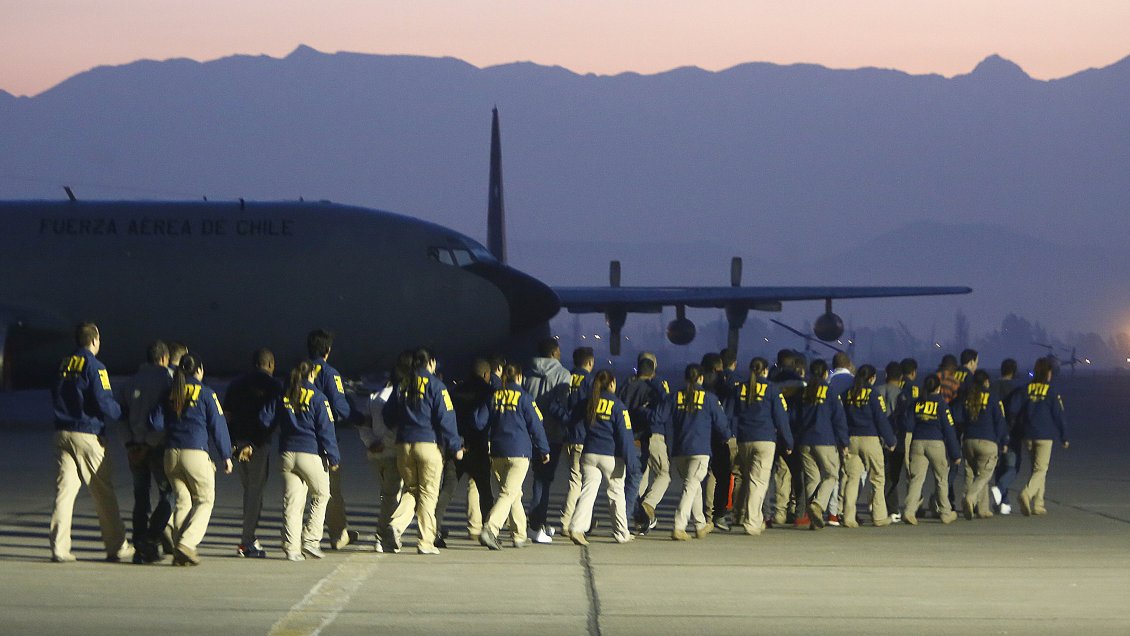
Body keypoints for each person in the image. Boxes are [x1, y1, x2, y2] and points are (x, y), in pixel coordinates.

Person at [49, 322, 133, 563]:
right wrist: (124, 414)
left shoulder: (63, 365)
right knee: (102, 491)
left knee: (64, 493)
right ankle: (116, 545)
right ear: (95, 341)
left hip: (62, 432)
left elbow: (54, 393)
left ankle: (59, 547)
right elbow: (104, 401)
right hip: (87, 434)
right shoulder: (95, 367)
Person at [151, 354, 233, 565]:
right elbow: (218, 425)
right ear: (199, 370)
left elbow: (155, 421)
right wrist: (226, 455)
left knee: (183, 501)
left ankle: (180, 550)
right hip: (195, 453)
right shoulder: (206, 393)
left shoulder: (170, 393)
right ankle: (187, 544)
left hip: (171, 455)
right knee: (205, 500)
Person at [381, 348, 463, 555]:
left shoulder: (402, 385)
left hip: (404, 445)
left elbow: (388, 415)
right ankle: (426, 541)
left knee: (411, 489)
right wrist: (455, 446)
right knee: (428, 493)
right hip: (428, 444)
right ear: (431, 363)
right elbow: (446, 417)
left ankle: (395, 525)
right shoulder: (436, 386)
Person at [262, 361, 340, 560]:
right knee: (322, 494)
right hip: (310, 453)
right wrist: (333, 456)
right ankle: (311, 539)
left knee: (292, 502)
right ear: (312, 375)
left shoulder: (284, 395)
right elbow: (326, 430)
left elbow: (265, 418)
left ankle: (291, 547)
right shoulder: (318, 398)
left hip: (286, 454)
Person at [477, 364, 551, 549]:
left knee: (514, 493)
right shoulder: (525, 398)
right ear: (519, 378)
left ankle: (519, 535)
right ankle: (491, 529)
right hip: (519, 452)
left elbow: (479, 422)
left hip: (497, 451)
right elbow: (536, 424)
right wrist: (543, 449)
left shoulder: (494, 396)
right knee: (508, 493)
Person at [223, 348, 282, 558]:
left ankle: (250, 537)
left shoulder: (236, 384)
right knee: (255, 493)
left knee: (248, 491)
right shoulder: (274, 386)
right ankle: (246, 540)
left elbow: (227, 415)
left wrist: (230, 444)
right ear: (271, 364)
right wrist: (254, 444)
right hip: (256, 446)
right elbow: (271, 419)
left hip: (237, 443)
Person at [118, 339, 174, 563]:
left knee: (140, 497)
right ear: (163, 358)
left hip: (134, 449)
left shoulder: (129, 382)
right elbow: (164, 419)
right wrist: (149, 444)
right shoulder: (168, 380)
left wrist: (131, 444)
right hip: (157, 447)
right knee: (168, 494)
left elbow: (120, 417)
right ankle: (152, 537)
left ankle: (139, 541)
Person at [568, 369, 638, 545]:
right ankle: (622, 533)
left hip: (589, 453)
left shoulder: (588, 403)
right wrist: (632, 462)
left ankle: (576, 528)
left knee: (588, 492)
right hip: (611, 456)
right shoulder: (618, 406)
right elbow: (625, 436)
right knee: (616, 494)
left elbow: (573, 422)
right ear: (612, 383)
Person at [724, 357, 792, 535]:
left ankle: (751, 516)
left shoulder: (740, 388)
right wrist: (788, 441)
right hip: (765, 439)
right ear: (765, 371)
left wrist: (727, 435)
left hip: (744, 439)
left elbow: (729, 414)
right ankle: (752, 521)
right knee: (758, 482)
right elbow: (781, 417)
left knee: (748, 479)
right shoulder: (772, 389)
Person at [306, 329, 357, 549]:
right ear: (327, 350)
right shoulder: (329, 373)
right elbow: (340, 407)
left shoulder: (299, 371)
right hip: (323, 439)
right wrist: (360, 418)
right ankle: (337, 534)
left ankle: (292, 536)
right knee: (330, 490)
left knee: (297, 493)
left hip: (297, 439)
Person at [669, 364, 732, 540]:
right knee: (691, 486)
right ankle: (679, 526)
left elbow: (660, 416)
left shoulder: (676, 396)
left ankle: (700, 524)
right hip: (699, 449)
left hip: (680, 449)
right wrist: (727, 435)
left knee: (693, 485)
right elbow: (720, 423)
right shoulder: (709, 399)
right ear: (701, 378)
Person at [522, 337, 572, 544]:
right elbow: (562, 404)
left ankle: (539, 520)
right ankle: (535, 525)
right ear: (553, 353)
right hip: (552, 434)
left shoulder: (528, 373)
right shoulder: (562, 374)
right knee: (544, 481)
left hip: (530, 433)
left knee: (537, 478)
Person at [793, 359, 849, 530]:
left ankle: (813, 519)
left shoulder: (803, 392)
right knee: (831, 475)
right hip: (824, 440)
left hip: (804, 441)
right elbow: (838, 419)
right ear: (826, 374)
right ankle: (817, 506)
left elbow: (794, 417)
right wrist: (844, 442)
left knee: (812, 479)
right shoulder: (830, 392)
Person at [840, 365, 898, 528]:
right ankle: (879, 516)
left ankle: (848, 517)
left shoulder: (847, 394)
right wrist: (890, 440)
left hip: (852, 440)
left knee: (852, 478)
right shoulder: (873, 394)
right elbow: (880, 418)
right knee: (877, 477)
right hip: (870, 439)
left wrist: (843, 441)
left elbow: (841, 419)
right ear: (872, 378)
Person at [902, 375, 961, 525]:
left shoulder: (917, 403)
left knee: (916, 479)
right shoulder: (941, 404)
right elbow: (949, 429)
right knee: (941, 479)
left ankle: (909, 511)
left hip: (917, 443)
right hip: (936, 443)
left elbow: (908, 424)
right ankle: (945, 512)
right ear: (938, 388)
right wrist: (955, 453)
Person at [617, 352, 665, 533]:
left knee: (628, 480)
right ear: (653, 372)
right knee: (634, 481)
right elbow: (660, 412)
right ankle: (634, 516)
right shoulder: (651, 389)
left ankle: (639, 516)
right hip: (640, 439)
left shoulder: (626, 386)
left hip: (623, 438)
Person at [1015, 357, 1068, 517]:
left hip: (1028, 434)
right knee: (1041, 469)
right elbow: (1058, 415)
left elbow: (1016, 409)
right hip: (1044, 435)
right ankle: (1027, 493)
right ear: (1048, 373)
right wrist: (1064, 436)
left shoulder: (1026, 389)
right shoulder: (1051, 391)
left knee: (1037, 469)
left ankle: (1039, 504)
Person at [449, 358, 496, 541]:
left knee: (447, 489)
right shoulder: (489, 392)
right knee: (485, 490)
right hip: (478, 446)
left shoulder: (456, 391)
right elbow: (482, 421)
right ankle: (487, 529)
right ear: (486, 374)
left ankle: (434, 527)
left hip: (457, 445)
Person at [957, 369, 1008, 519]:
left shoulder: (967, 397)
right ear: (986, 381)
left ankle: (983, 509)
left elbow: (959, 419)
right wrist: (1003, 440)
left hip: (968, 441)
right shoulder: (992, 397)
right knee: (984, 475)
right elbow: (1000, 420)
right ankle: (970, 497)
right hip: (987, 441)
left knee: (977, 474)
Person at [359, 378, 400, 551]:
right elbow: (395, 427)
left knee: (386, 495)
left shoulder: (373, 397)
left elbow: (364, 425)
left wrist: (371, 443)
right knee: (391, 497)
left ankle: (385, 534)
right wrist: (386, 443)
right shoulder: (397, 397)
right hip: (391, 453)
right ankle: (382, 535)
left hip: (375, 454)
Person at [560, 347, 595, 538]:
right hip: (582, 436)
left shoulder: (565, 376)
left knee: (576, 479)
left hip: (567, 435)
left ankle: (586, 518)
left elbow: (558, 404)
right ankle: (567, 521)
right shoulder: (590, 381)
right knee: (578, 482)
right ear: (589, 363)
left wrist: (566, 420)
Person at [637, 356, 674, 535]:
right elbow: (666, 406)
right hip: (655, 433)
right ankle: (648, 505)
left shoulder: (630, 384)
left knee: (642, 474)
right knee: (664, 473)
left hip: (635, 434)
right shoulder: (659, 385)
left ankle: (639, 517)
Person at [991, 359, 1022, 514]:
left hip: (994, 431)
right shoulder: (1017, 388)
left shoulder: (993, 386)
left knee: (1000, 466)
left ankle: (1003, 502)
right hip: (1011, 432)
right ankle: (1001, 489)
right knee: (1012, 467)